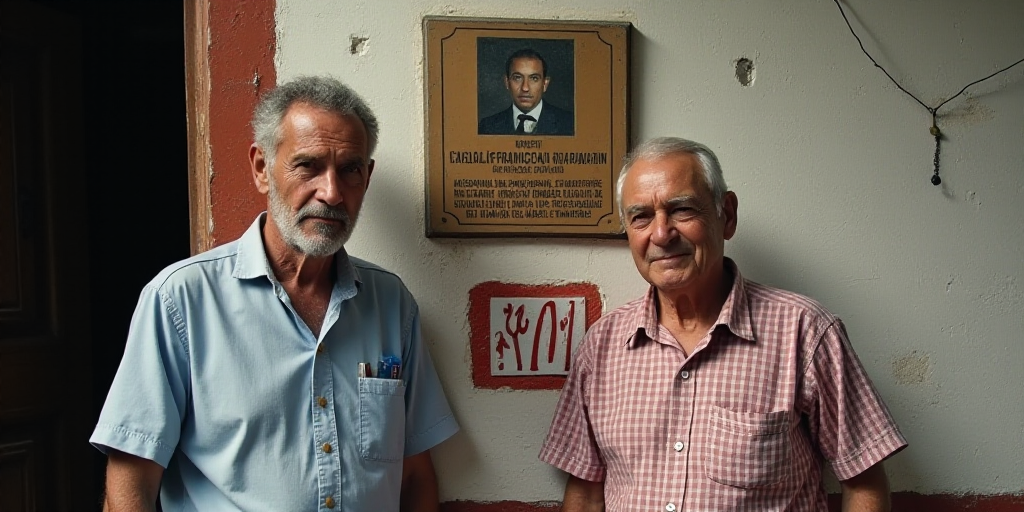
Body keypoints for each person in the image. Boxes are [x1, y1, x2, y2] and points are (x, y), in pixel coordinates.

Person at [90, 76, 459, 512]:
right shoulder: (180, 301)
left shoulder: (391, 303)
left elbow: (415, 473)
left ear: (367, 177)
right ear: (262, 168)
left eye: (350, 169)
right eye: (308, 165)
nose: (332, 192)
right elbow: (131, 476)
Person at [539, 137, 907, 511]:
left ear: (726, 215)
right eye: (641, 217)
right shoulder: (600, 346)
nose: (661, 234)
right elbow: (584, 494)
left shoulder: (805, 331)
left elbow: (865, 484)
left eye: (682, 210)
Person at [478, 48, 574, 136]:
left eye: (534, 78)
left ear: (545, 84)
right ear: (507, 82)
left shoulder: (569, 123)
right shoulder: (487, 127)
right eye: (517, 78)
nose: (525, 88)